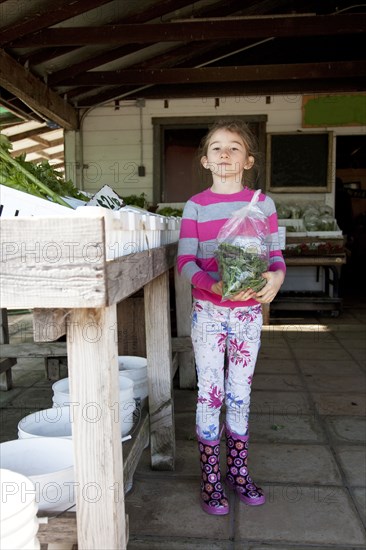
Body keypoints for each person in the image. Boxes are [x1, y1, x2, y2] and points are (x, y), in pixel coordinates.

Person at [177, 120, 286, 515]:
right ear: (205, 160)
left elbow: (274, 255)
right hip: (208, 312)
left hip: (247, 317)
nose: (225, 154)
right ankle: (210, 477)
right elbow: (185, 261)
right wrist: (213, 285)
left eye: (234, 148)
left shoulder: (263, 204)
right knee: (211, 392)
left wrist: (277, 275)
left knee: (240, 392)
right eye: (217, 148)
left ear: (248, 160)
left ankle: (237, 472)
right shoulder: (195, 206)